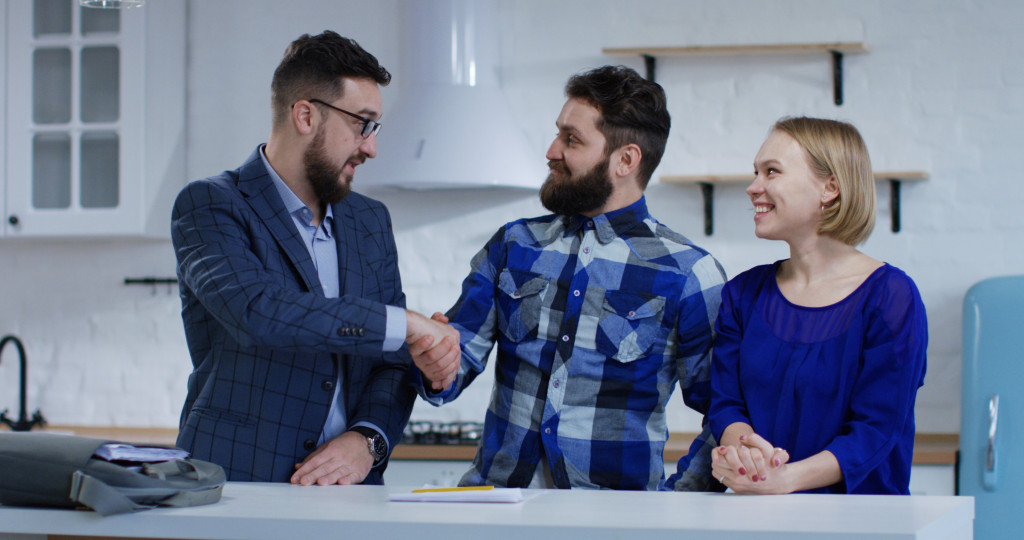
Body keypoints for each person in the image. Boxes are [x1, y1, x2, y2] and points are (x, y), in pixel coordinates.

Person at [408, 65, 727, 491]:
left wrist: (679, 499)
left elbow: (725, 413)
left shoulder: (689, 274)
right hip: (495, 507)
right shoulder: (514, 245)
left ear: (625, 160)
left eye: (571, 139)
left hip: (616, 522)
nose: (551, 150)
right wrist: (434, 359)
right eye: (558, 134)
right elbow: (456, 361)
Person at [171, 31, 459, 485]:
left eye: (375, 127)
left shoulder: (370, 220)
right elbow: (260, 312)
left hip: (350, 491)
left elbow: (391, 361)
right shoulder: (209, 205)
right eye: (362, 123)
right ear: (305, 115)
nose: (371, 147)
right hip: (233, 483)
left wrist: (367, 440)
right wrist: (404, 323)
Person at [708, 117, 928, 495]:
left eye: (771, 172)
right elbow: (726, 405)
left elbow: (877, 429)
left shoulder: (892, 297)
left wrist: (784, 479)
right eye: (755, 172)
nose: (753, 187)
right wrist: (747, 459)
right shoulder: (742, 294)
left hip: (859, 524)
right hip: (757, 517)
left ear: (830, 188)